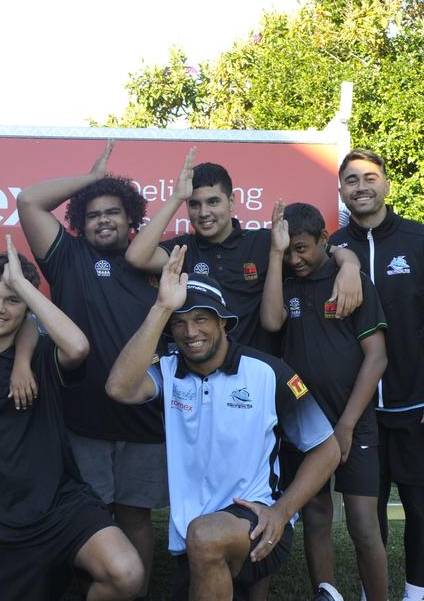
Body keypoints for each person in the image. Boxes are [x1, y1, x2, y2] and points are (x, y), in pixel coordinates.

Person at [0, 238, 145, 601]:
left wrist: (25, 289)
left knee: (126, 573)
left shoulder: (43, 356)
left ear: (27, 307)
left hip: (61, 507)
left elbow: (79, 346)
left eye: (13, 299)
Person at [107, 246, 341, 600]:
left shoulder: (269, 372)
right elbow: (118, 388)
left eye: (201, 318)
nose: (190, 332)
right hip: (191, 538)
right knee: (201, 539)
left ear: (223, 322)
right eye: (180, 322)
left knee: (204, 534)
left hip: (259, 523)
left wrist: (282, 511)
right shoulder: (168, 370)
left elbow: (328, 449)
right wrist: (161, 307)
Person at [16, 141, 166, 595]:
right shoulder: (68, 257)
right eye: (95, 213)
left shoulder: (153, 262)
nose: (104, 219)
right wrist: (92, 177)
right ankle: (94, 589)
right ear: (80, 221)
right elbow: (28, 200)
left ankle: (132, 593)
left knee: (136, 516)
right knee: (89, 518)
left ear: (131, 219)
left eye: (114, 212)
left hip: (144, 421)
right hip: (81, 420)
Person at [328, 149, 424, 601]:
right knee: (367, 514)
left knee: (419, 505)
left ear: (387, 184)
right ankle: (375, 593)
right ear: (342, 190)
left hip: (417, 405)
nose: (361, 186)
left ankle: (413, 595)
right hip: (358, 408)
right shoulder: (333, 248)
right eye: (351, 180)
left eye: (370, 177)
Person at [261, 203, 389, 601]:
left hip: (353, 422)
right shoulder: (285, 278)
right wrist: (277, 254)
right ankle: (326, 594)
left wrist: (347, 425)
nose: (297, 259)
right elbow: (270, 322)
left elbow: (377, 357)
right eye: (290, 251)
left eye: (303, 248)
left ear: (323, 240)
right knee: (315, 515)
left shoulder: (350, 281)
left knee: (363, 524)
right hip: (302, 422)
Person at [125, 150, 364, 352]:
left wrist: (351, 266)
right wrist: (177, 197)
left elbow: (326, 250)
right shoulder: (183, 249)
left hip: (255, 376)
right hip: (199, 376)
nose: (204, 212)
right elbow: (137, 257)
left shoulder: (263, 241)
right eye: (194, 204)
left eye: (213, 202)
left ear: (232, 202)